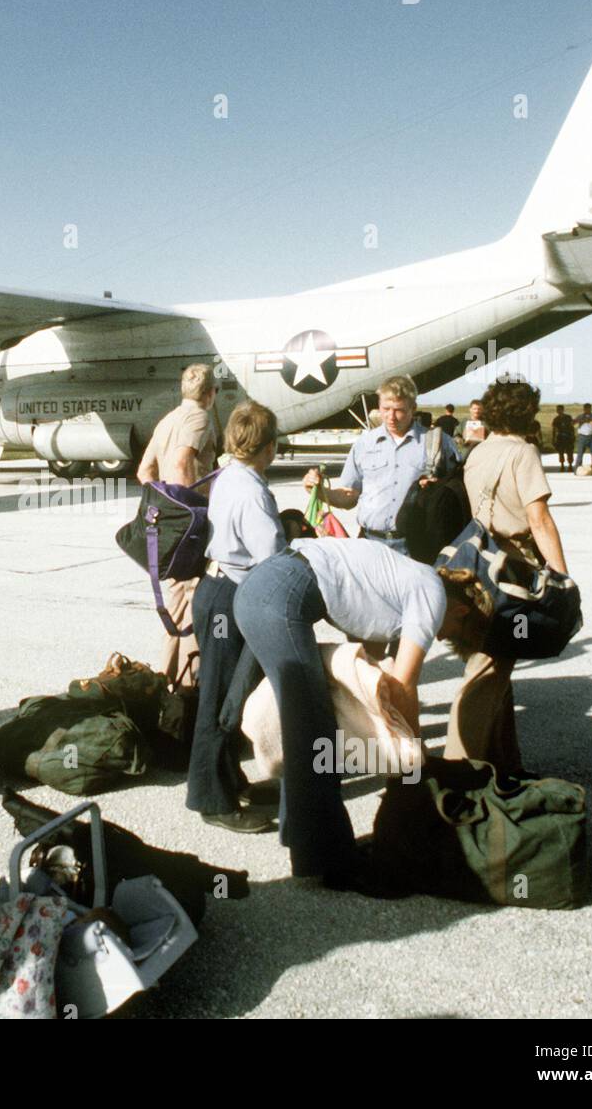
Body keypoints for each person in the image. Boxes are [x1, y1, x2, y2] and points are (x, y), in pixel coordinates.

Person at [233, 537, 491, 893]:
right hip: (278, 595)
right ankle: (333, 862)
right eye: (452, 636)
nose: (441, 638)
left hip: (267, 588)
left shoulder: (403, 585)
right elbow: (403, 687)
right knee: (316, 734)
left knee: (306, 723)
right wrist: (415, 758)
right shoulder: (431, 594)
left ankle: (300, 834)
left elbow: (369, 674)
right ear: (461, 612)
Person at [447, 377, 569, 774]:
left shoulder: (478, 452)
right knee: (487, 669)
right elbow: (540, 519)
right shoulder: (523, 452)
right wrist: (562, 578)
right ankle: (457, 768)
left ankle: (505, 765)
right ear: (526, 413)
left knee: (500, 665)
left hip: (477, 568)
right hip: (512, 570)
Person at [186, 401, 283, 834]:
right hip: (231, 595)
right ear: (269, 446)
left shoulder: (230, 475)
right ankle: (212, 798)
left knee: (225, 693)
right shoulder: (252, 490)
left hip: (217, 588)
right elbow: (272, 558)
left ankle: (229, 778)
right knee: (222, 700)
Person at [302, 374, 459, 557]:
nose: (391, 417)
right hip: (370, 545)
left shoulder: (439, 443)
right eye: (385, 409)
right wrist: (320, 491)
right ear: (379, 405)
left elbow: (458, 496)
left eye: (399, 410)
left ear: (413, 408)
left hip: (418, 547)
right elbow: (349, 496)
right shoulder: (364, 444)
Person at [136, 363, 221, 688]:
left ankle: (167, 681)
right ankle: (188, 687)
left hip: (171, 529)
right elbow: (183, 461)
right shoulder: (199, 417)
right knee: (197, 606)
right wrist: (190, 510)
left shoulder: (167, 420)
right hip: (191, 527)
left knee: (177, 606)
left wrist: (164, 506)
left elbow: (145, 472)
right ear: (211, 393)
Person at [575, 403, 592, 470]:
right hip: (582, 436)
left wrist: (590, 421)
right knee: (580, 453)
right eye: (585, 408)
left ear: (590, 408)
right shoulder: (580, 416)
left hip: (591, 436)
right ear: (583, 409)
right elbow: (573, 423)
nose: (587, 409)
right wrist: (580, 421)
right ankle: (577, 468)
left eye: (588, 408)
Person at [551, 404, 575, 472]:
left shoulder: (568, 417)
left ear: (563, 410)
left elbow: (572, 427)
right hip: (560, 438)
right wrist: (553, 439)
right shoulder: (556, 419)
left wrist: (573, 437)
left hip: (568, 437)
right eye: (557, 410)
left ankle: (570, 465)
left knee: (569, 452)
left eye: (560, 409)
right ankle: (562, 465)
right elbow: (554, 430)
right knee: (561, 452)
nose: (558, 411)